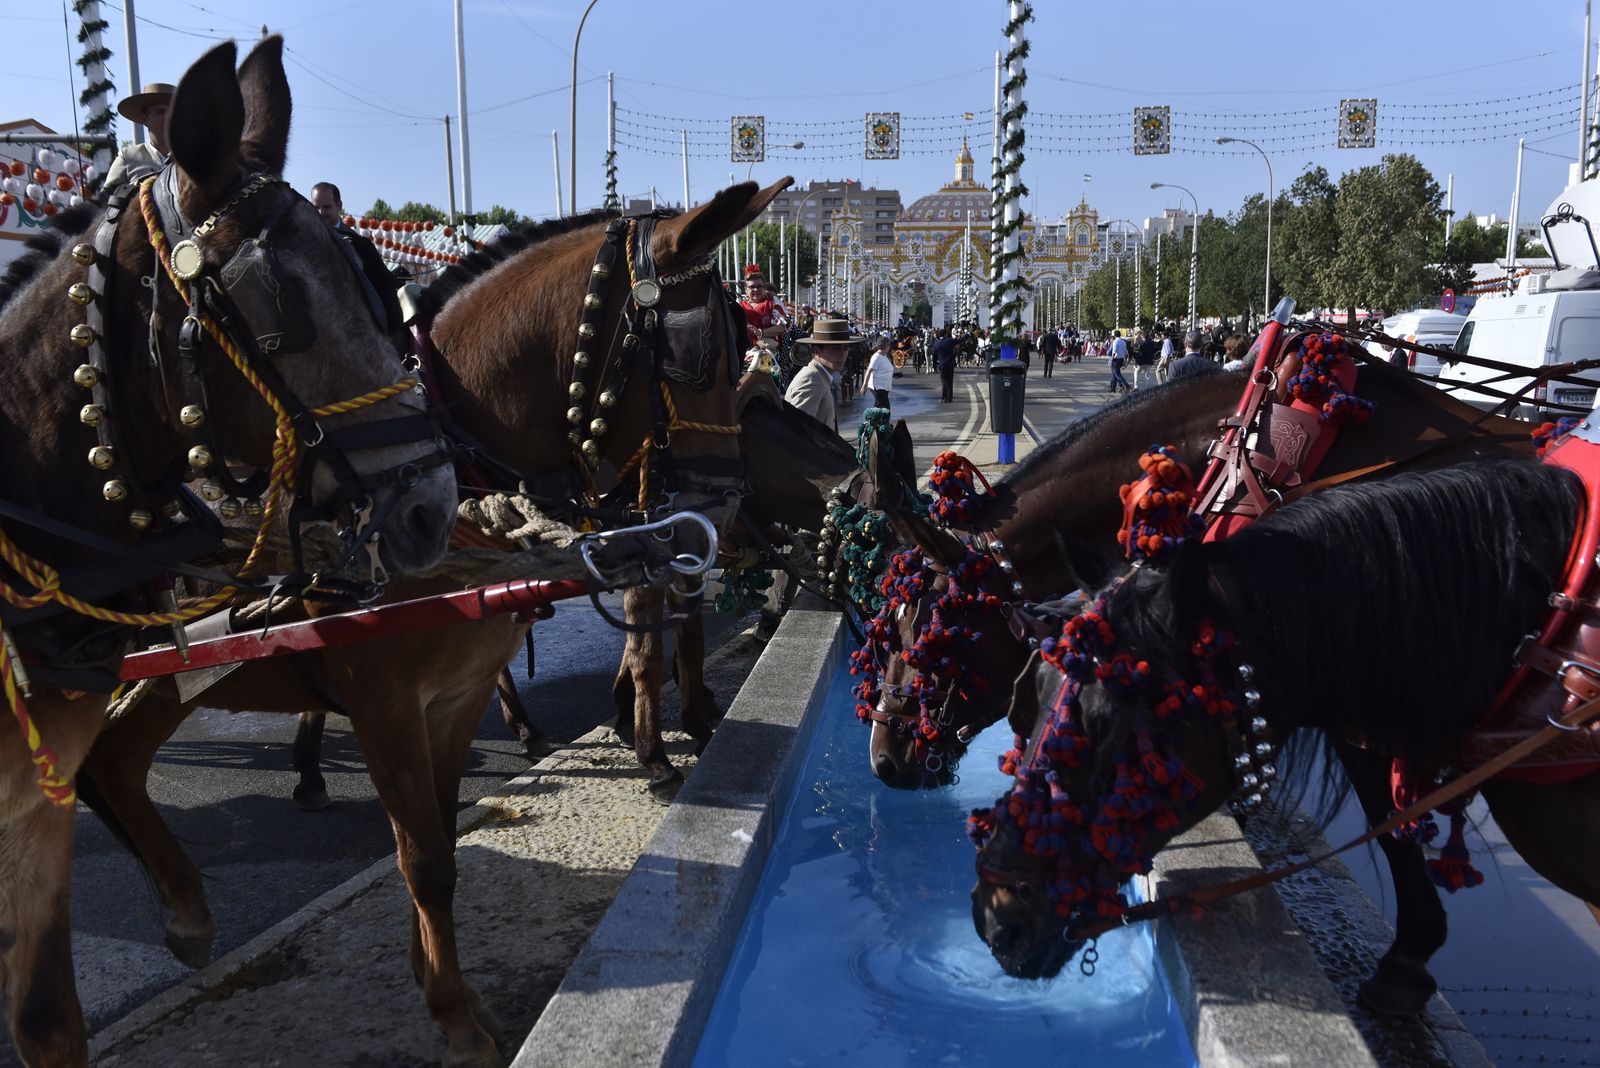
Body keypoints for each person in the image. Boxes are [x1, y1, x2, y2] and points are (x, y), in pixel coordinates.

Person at [309, 181, 404, 336]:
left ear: (338, 205)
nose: (321, 213)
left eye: (326, 207)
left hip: (359, 325)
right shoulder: (306, 243)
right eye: (316, 208)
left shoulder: (360, 244)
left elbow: (383, 284)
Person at [785, 316, 852, 430]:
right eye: (835, 348)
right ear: (817, 351)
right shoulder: (812, 379)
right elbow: (797, 431)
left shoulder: (820, 375)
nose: (842, 354)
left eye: (845, 348)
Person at [104, 82, 174, 189]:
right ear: (145, 118)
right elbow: (107, 201)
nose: (168, 118)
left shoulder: (193, 159)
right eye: (160, 111)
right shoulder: (128, 157)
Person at [740, 266, 787, 348]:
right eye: (752, 287)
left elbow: (782, 327)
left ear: (764, 288)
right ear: (746, 290)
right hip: (743, 351)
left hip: (766, 352)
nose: (756, 289)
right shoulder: (739, 306)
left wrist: (761, 332)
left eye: (759, 286)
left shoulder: (772, 303)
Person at [864, 336, 896, 410]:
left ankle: (873, 420)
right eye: (888, 345)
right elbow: (869, 370)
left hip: (883, 387)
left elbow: (884, 369)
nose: (889, 347)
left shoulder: (883, 356)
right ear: (885, 346)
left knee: (880, 407)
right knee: (885, 408)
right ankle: (875, 420)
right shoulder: (876, 357)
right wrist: (864, 385)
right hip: (878, 386)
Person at [933, 325, 958, 402]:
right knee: (950, 381)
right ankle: (950, 398)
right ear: (945, 335)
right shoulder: (950, 341)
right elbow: (960, 340)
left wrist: (934, 366)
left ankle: (944, 398)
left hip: (942, 365)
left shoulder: (936, 344)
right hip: (950, 364)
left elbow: (934, 356)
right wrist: (968, 334)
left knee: (944, 382)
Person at [1107, 329, 1132, 394]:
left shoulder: (1115, 341)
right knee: (1114, 374)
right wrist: (1125, 361)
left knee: (1117, 374)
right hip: (1121, 359)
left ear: (1115, 335)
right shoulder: (1123, 342)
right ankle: (1113, 388)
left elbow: (1114, 351)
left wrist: (1112, 359)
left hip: (1116, 359)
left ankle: (1126, 385)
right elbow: (1126, 353)